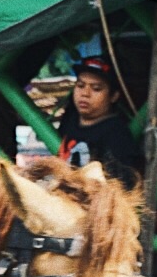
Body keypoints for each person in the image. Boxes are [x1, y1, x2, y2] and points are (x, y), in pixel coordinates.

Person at [56, 55, 140, 187]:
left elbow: (122, 187)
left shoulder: (116, 134)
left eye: (96, 88)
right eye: (80, 85)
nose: (85, 93)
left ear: (114, 96)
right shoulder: (70, 119)